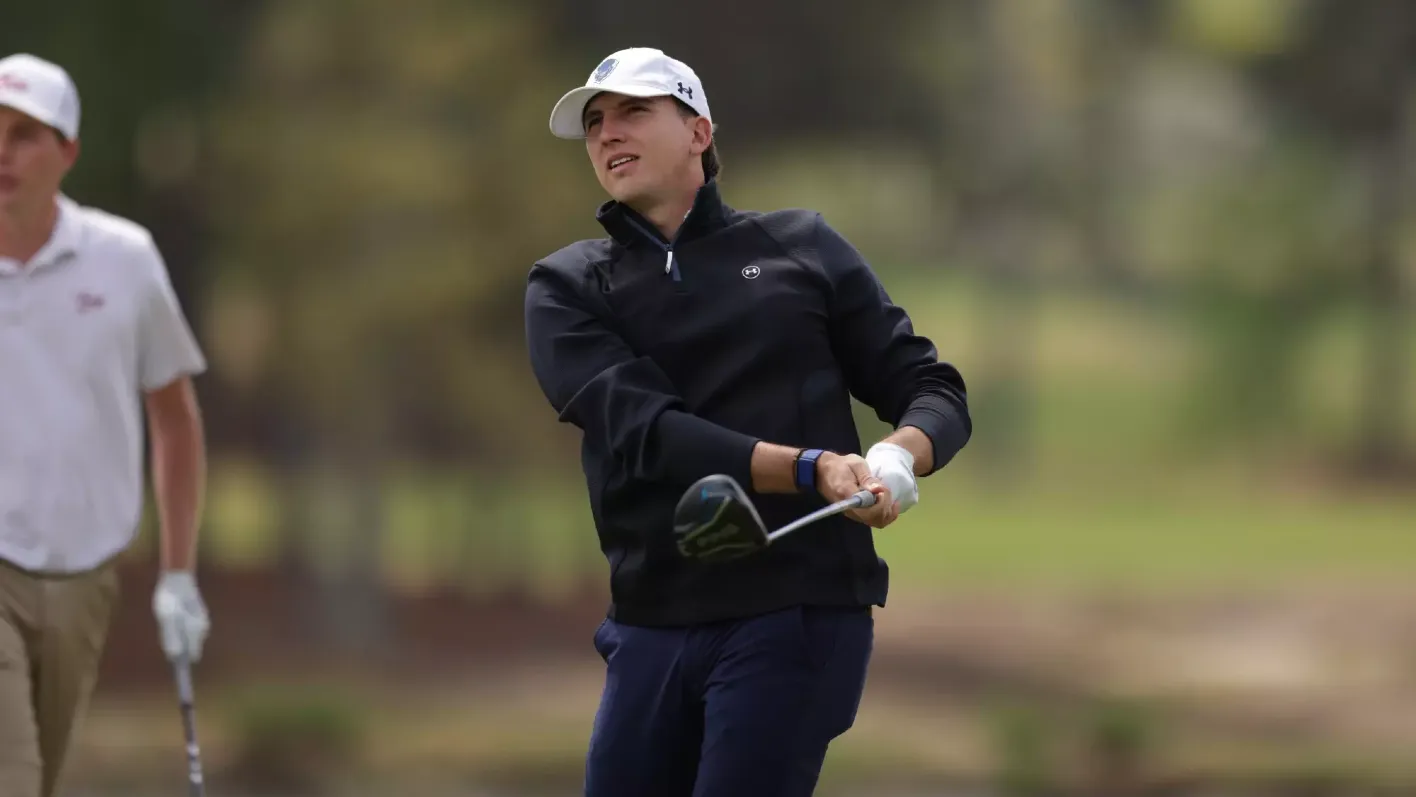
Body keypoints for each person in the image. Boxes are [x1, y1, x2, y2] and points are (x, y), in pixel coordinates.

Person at [524, 46, 971, 797]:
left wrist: (899, 455)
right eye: (594, 123)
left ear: (699, 132)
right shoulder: (567, 286)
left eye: (633, 112)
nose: (607, 133)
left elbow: (932, 389)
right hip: (651, 620)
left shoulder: (801, 248)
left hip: (795, 612)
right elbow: (648, 433)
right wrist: (811, 468)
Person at [0, 53, 212, 797]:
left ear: (68, 152)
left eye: (24, 135)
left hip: (86, 574)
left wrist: (178, 576)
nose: (2, 153)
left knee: (41, 778)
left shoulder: (124, 260)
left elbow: (174, 420)